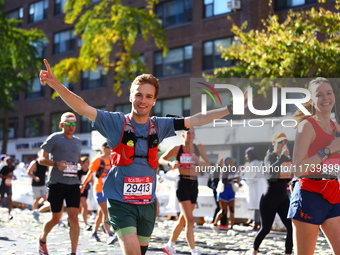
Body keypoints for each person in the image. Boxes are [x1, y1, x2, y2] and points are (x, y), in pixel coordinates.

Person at [39, 58, 246, 255]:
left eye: (148, 96)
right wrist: (56, 84)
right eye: (139, 95)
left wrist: (230, 109)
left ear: (154, 100)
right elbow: (81, 107)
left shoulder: (160, 125)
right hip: (121, 202)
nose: (142, 100)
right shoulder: (115, 122)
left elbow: (198, 119)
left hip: (147, 204)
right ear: (131, 96)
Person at [287, 77, 340, 255]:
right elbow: (298, 169)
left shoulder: (337, 127)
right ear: (311, 100)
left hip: (333, 193)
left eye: (329, 93)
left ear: (334, 96)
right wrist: (329, 149)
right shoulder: (306, 126)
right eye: (319, 94)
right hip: (309, 195)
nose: (326, 98)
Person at [159, 128, 210, 255]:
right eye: (188, 133)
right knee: (190, 220)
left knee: (183, 219)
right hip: (182, 184)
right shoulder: (177, 148)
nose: (190, 135)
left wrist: (199, 162)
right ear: (183, 135)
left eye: (192, 133)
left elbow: (208, 164)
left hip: (194, 184)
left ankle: (169, 245)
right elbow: (161, 159)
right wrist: (170, 164)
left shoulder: (199, 148)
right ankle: (194, 251)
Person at [37, 112, 82, 255]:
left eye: (73, 124)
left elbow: (74, 161)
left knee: (74, 217)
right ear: (62, 125)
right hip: (56, 183)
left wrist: (80, 167)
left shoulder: (78, 141)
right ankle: (42, 239)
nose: (71, 127)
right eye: (68, 124)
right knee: (56, 218)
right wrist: (56, 164)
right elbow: (40, 159)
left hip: (73, 183)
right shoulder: (54, 138)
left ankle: (73, 252)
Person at [246, 131, 293, 255]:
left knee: (291, 227)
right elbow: (271, 173)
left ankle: (288, 253)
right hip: (270, 197)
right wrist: (282, 158)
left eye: (285, 141)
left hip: (283, 197)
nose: (283, 144)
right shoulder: (270, 156)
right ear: (274, 143)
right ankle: (254, 250)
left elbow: (289, 175)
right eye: (280, 142)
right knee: (266, 228)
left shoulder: (287, 157)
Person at [81, 142, 118, 245]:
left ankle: (94, 232)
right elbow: (90, 173)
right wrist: (83, 185)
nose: (109, 149)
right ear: (103, 148)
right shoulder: (98, 159)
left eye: (111, 147)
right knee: (106, 212)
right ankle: (109, 234)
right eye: (107, 147)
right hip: (99, 190)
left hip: (109, 190)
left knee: (101, 213)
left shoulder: (112, 159)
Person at [242, 147, 267, 231]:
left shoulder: (255, 163)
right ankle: (256, 223)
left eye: (248, 154)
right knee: (256, 206)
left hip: (257, 187)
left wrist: (246, 179)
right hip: (254, 187)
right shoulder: (252, 163)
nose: (247, 156)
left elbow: (255, 177)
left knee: (257, 206)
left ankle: (257, 224)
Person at [211, 157, 240, 230]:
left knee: (232, 209)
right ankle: (215, 223)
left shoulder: (232, 170)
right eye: (230, 161)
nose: (232, 162)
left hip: (231, 190)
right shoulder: (225, 169)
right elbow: (224, 180)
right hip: (223, 191)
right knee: (223, 210)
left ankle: (232, 226)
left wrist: (236, 181)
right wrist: (233, 179)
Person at [26, 153, 49, 222]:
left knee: (44, 198)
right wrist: (35, 177)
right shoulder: (34, 162)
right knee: (37, 199)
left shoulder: (45, 163)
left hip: (43, 183)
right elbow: (28, 172)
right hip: (35, 184)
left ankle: (37, 210)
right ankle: (34, 211)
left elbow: (47, 172)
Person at [77, 156, 92, 230]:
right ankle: (85, 223)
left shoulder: (89, 171)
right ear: (82, 163)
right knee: (85, 206)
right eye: (85, 163)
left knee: (82, 207)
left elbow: (91, 181)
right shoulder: (78, 172)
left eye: (88, 163)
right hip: (78, 191)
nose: (87, 164)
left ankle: (84, 221)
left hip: (86, 191)